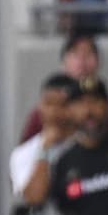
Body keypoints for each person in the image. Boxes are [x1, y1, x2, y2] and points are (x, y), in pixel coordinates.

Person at [27, 77, 108, 215]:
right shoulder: (63, 160)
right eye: (81, 103)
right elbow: (36, 200)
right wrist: (44, 150)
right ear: (70, 111)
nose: (89, 110)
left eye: (95, 102)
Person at [20, 33, 108, 140]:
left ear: (98, 61)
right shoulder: (45, 113)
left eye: (88, 54)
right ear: (63, 62)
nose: (82, 61)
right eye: (75, 54)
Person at [10, 74, 80, 205]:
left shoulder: (89, 142)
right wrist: (44, 150)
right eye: (48, 103)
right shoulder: (23, 152)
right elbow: (35, 198)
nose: (54, 111)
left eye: (63, 105)